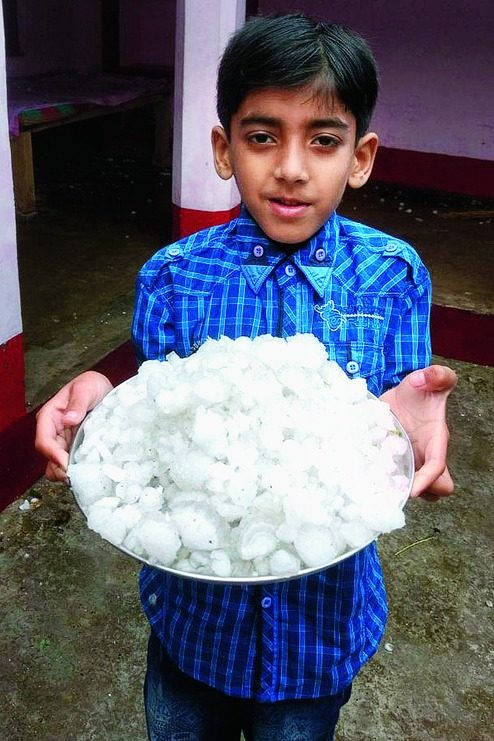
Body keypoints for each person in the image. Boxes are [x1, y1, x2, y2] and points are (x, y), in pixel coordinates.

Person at [35, 13, 457, 740]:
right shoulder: (173, 275)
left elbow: (395, 410)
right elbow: (156, 405)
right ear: (224, 150)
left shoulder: (393, 275)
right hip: (193, 627)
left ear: (361, 157)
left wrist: (410, 419)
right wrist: (99, 403)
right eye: (263, 137)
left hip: (319, 633)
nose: (291, 167)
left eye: (322, 141)